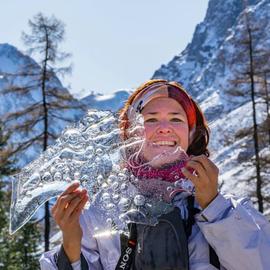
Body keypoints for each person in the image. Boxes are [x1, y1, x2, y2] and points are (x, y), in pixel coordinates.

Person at [40, 79, 270, 270]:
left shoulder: (231, 212)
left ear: (191, 135)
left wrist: (213, 206)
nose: (164, 127)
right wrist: (70, 243)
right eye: (150, 119)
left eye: (176, 119)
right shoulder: (98, 214)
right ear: (130, 133)